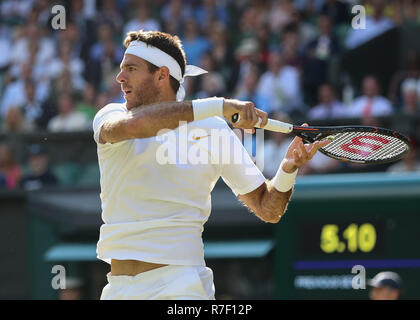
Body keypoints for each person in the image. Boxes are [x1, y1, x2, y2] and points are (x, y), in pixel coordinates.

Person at [93, 30, 329, 300]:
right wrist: (220, 105)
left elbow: (268, 208)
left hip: (181, 288)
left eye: (131, 69)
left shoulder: (211, 128)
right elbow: (137, 125)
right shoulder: (111, 116)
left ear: (161, 75)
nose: (119, 77)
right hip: (118, 290)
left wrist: (288, 169)